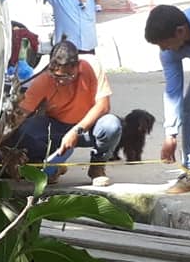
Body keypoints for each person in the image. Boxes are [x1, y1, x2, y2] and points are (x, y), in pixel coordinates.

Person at [12, 40, 123, 187]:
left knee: (111, 125)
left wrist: (76, 131)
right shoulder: (43, 79)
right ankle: (50, 163)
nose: (61, 82)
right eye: (57, 76)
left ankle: (97, 166)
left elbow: (103, 106)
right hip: (56, 127)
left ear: (77, 66)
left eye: (68, 76)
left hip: (88, 128)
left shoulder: (92, 66)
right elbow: (20, 114)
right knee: (24, 130)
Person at [145, 3, 190, 193]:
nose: (163, 49)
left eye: (165, 43)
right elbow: (173, 91)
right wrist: (171, 133)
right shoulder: (168, 52)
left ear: (180, 31)